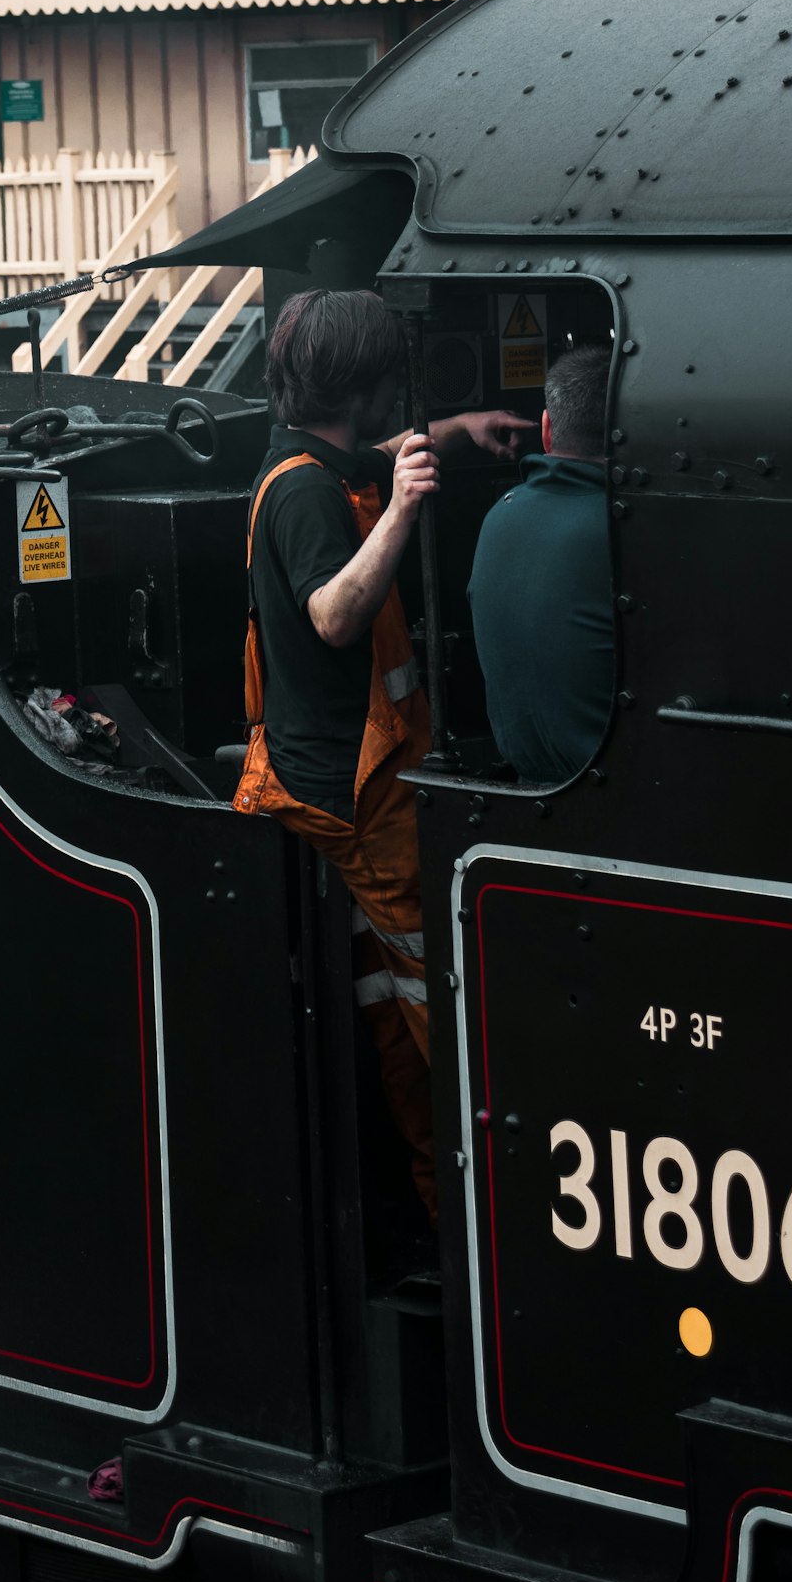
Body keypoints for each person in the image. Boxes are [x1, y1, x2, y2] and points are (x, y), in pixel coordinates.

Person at [234, 288, 534, 1223]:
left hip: (357, 773)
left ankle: (428, 1191)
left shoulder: (313, 454)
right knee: (437, 984)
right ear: (358, 387)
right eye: (391, 388)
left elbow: (378, 452)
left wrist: (455, 429)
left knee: (391, 993)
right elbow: (333, 614)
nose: (398, 402)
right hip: (357, 789)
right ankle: (479, 1199)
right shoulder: (308, 496)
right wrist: (404, 510)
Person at [468, 344, 615, 788]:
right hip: (611, 787)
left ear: (547, 430)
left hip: (529, 784)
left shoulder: (499, 516)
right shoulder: (621, 531)